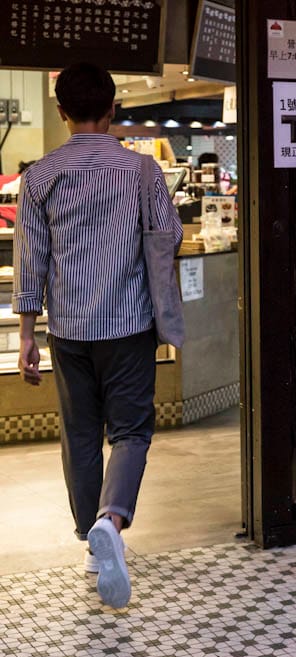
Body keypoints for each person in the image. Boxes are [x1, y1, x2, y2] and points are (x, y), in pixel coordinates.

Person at [12, 62, 183, 608]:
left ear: (60, 113)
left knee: (80, 435)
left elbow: (30, 259)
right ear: (113, 109)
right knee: (130, 432)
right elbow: (169, 235)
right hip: (129, 325)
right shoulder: (142, 172)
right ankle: (112, 519)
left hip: (67, 329)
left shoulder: (38, 176)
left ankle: (91, 538)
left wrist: (26, 333)